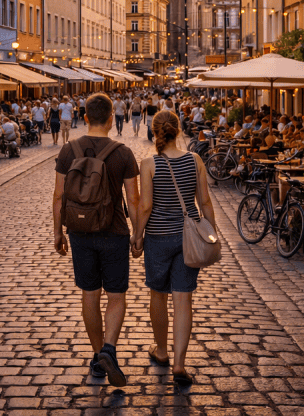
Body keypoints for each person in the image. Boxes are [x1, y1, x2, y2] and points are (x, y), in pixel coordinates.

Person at [52, 93, 140, 387]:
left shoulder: (68, 151)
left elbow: (58, 197)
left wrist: (57, 232)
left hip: (79, 232)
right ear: (113, 116)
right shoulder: (123, 153)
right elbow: (134, 199)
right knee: (116, 295)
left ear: (85, 117)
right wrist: (138, 235)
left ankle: (97, 355)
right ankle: (109, 350)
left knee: (90, 293)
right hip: (114, 232)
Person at [134, 110, 218, 386]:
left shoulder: (149, 164)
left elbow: (145, 205)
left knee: (158, 294)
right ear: (178, 130)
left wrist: (137, 235)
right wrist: (211, 232)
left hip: (158, 237)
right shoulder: (195, 160)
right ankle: (180, 364)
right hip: (188, 236)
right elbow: (204, 201)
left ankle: (161, 351)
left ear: (156, 132)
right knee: (183, 300)